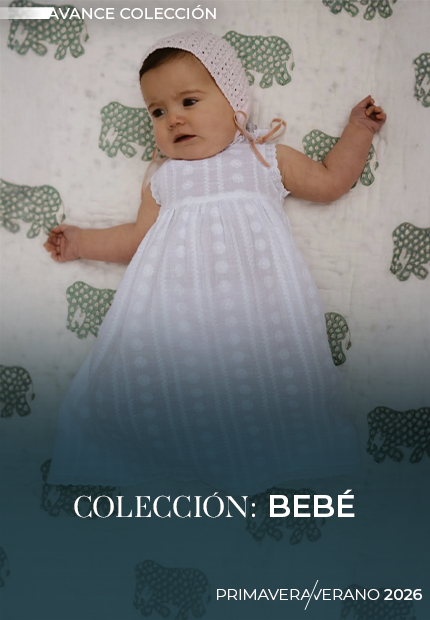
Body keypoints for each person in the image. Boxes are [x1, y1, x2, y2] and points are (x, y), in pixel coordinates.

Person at [44, 31, 386, 494]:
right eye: (157, 112)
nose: (173, 119)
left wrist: (359, 131)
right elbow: (136, 240)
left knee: (272, 377)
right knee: (156, 377)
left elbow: (329, 182)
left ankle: (279, 449)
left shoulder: (265, 158)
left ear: (234, 103)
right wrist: (81, 243)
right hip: (176, 312)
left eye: (189, 101)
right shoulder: (164, 179)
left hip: (258, 306)